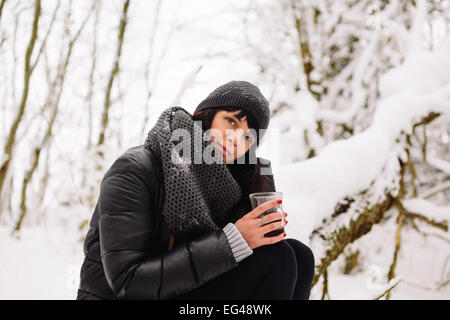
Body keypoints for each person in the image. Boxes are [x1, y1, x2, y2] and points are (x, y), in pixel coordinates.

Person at [76, 80, 315, 300]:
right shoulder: (136, 169)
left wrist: (259, 226)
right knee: (277, 259)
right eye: (231, 121)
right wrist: (232, 241)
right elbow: (127, 282)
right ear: (207, 116)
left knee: (299, 255)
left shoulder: (233, 187)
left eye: (248, 138)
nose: (235, 139)